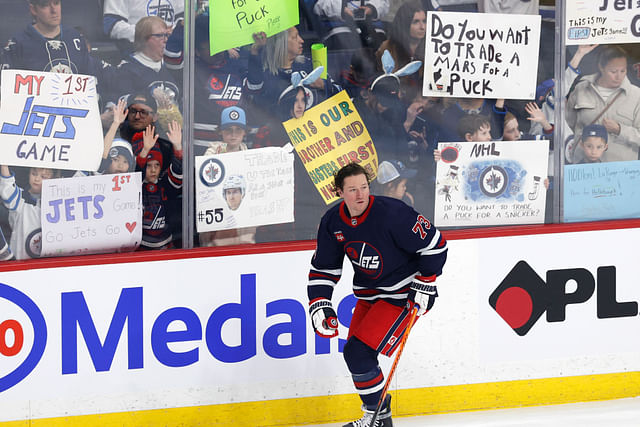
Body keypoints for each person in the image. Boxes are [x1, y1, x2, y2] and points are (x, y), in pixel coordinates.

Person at [308, 162, 447, 427]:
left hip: (404, 295)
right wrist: (319, 302)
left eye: (364, 187)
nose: (360, 195)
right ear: (339, 192)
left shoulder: (393, 213)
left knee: (360, 353)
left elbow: (436, 245)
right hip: (369, 296)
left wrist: (426, 281)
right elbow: (324, 268)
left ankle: (377, 419)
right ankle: (379, 418)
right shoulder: (333, 222)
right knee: (354, 354)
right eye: (352, 190)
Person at [1, 0, 114, 96]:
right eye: (45, 5)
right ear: (34, 10)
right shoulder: (17, 44)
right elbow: (8, 90)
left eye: (56, 3)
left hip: (75, 114)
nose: (53, 10)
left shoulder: (75, 38)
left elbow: (91, 78)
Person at [566, 45, 640, 163]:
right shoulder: (581, 89)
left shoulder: (636, 95)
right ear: (601, 67)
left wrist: (620, 130)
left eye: (623, 71)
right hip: (584, 168)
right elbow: (568, 123)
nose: (618, 76)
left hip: (621, 171)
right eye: (613, 71)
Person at [113, 16, 181, 131]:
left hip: (174, 137)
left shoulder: (172, 66)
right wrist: (148, 94)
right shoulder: (127, 68)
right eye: (160, 35)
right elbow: (118, 102)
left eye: (166, 35)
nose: (165, 39)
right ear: (143, 39)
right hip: (142, 138)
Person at [138, 122, 183, 250]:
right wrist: (145, 151)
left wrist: (178, 146)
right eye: (148, 165)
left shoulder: (164, 185)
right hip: (141, 246)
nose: (153, 170)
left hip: (166, 244)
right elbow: (137, 173)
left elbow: (177, 173)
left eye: (156, 165)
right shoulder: (136, 186)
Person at [0, 165, 59, 260]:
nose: (37, 179)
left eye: (43, 177)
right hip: (19, 261)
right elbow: (7, 188)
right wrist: (4, 165)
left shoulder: (57, 203)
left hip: (46, 264)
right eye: (34, 174)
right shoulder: (20, 198)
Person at [103, 0, 184, 57]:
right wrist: (148, 33)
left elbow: (183, 17)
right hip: (138, 51)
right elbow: (110, 25)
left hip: (173, 49)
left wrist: (175, 29)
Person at [375, 1, 426, 88]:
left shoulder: (433, 47)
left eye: (424, 21)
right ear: (405, 24)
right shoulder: (388, 48)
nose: (422, 27)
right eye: (416, 22)